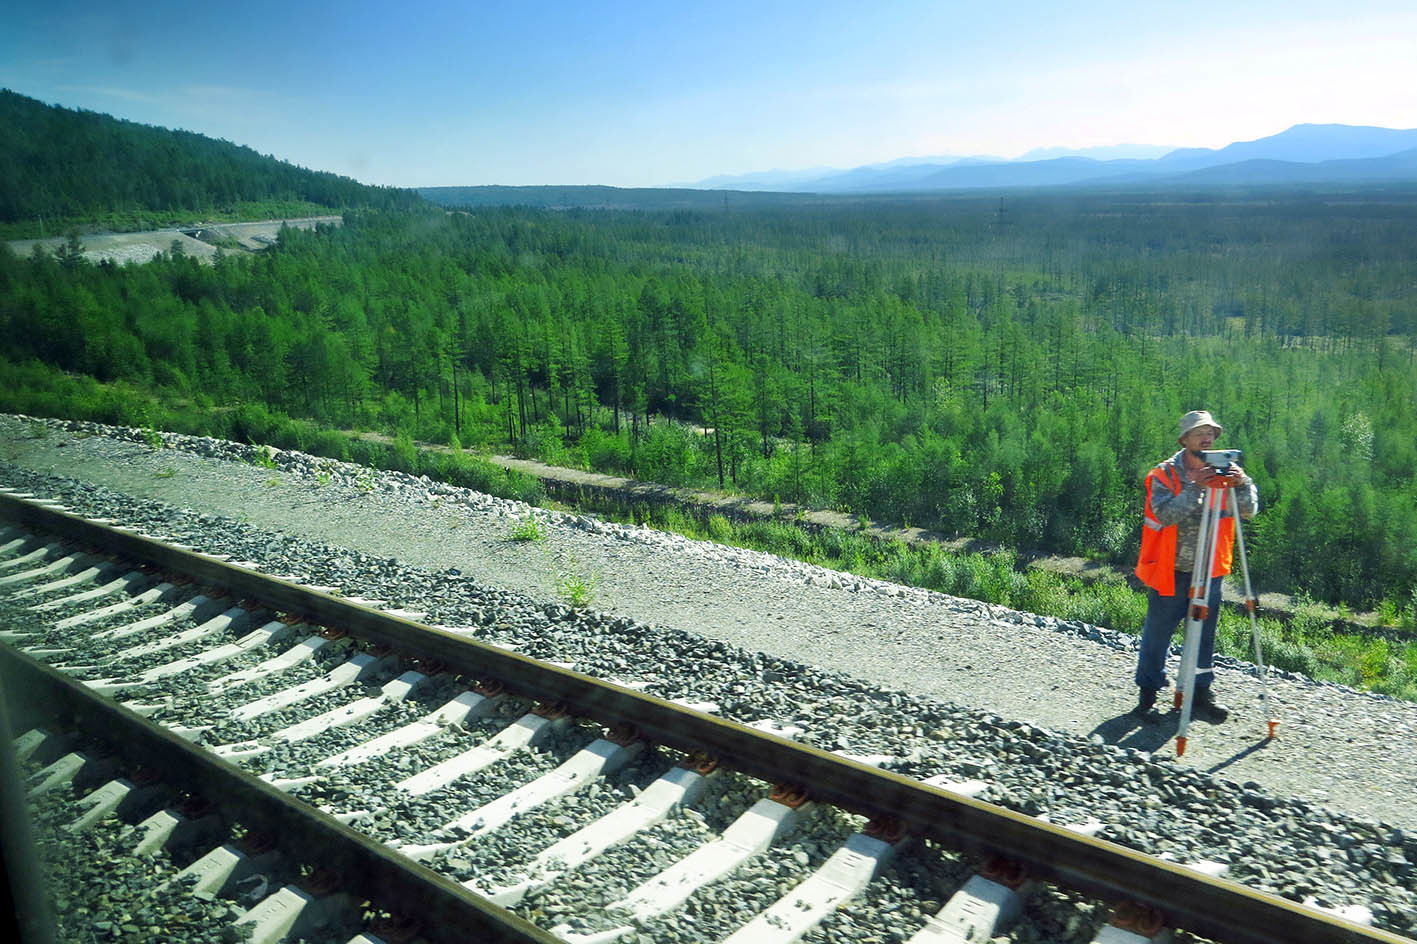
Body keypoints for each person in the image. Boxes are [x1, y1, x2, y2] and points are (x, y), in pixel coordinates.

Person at [1132, 410, 1258, 722]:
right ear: (1185, 439)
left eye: (1211, 433)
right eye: (1200, 433)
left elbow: (1248, 511)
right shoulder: (1163, 475)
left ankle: (1201, 693)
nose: (1207, 438)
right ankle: (1147, 697)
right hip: (1170, 569)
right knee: (1158, 634)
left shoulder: (1227, 474)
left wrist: (1241, 483)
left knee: (1204, 635)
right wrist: (1196, 487)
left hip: (1209, 570)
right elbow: (1165, 515)